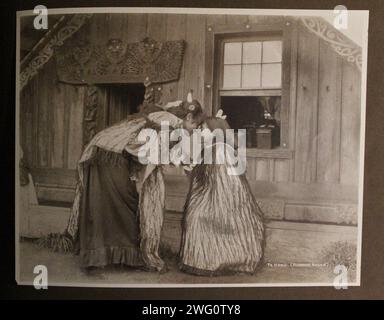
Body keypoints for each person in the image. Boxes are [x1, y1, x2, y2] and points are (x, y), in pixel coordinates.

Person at [43, 94, 205, 274]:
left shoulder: (165, 118)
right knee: (126, 204)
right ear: (188, 117)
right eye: (194, 126)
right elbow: (151, 162)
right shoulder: (169, 123)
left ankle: (102, 256)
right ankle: (122, 256)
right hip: (110, 156)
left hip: (103, 153)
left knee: (107, 203)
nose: (193, 130)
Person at [179, 114, 264, 276]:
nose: (201, 132)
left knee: (198, 216)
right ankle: (202, 259)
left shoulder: (221, 151)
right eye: (200, 129)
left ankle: (214, 260)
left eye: (204, 129)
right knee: (194, 215)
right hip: (208, 195)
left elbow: (226, 184)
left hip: (223, 200)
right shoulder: (211, 149)